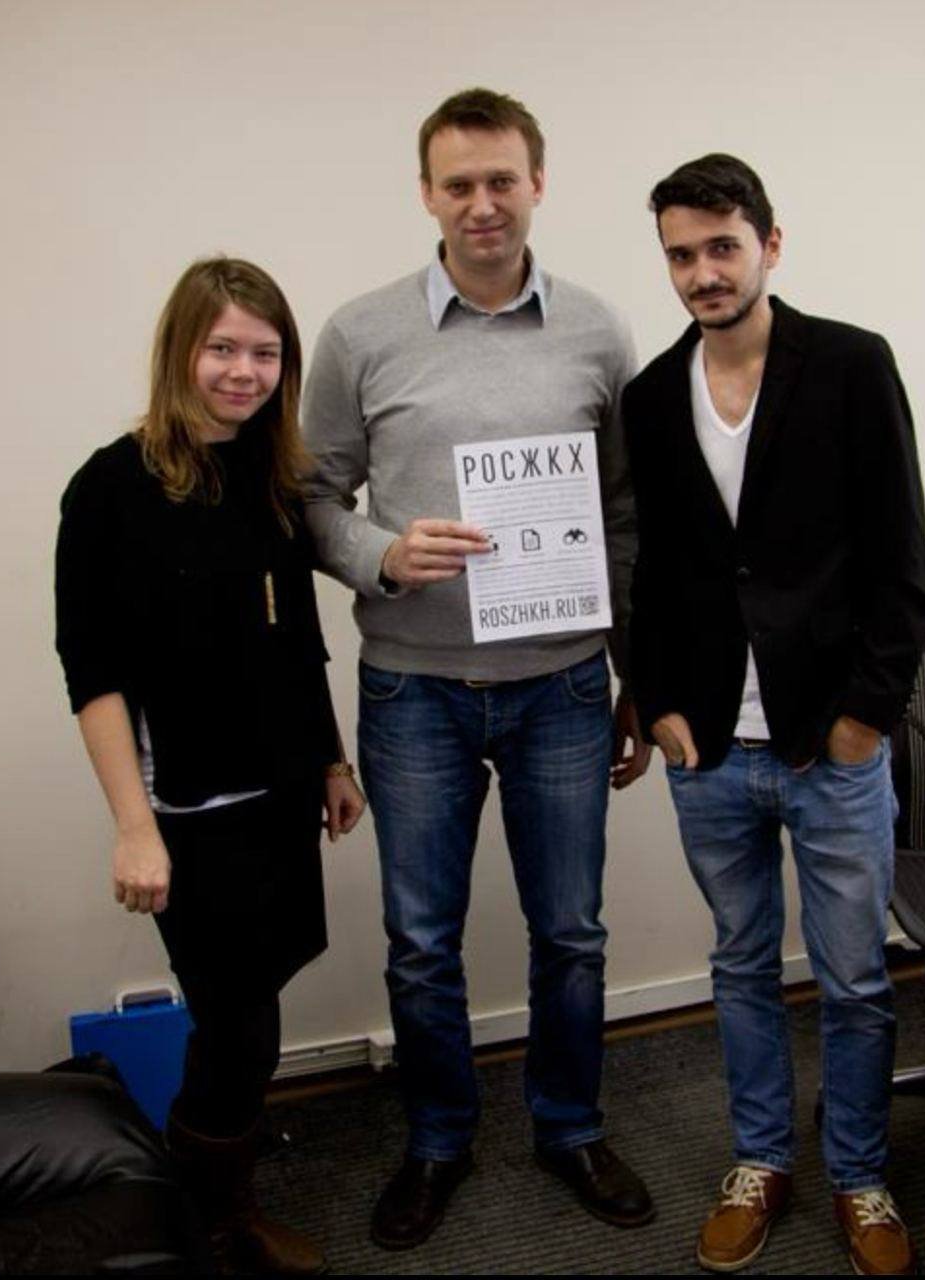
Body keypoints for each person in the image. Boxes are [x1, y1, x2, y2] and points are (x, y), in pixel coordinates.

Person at [302, 87, 654, 1249]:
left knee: (573, 932)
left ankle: (568, 1124)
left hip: (560, 683)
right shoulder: (360, 333)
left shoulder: (600, 330)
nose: (483, 203)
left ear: (538, 183)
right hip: (415, 689)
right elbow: (307, 495)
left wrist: (633, 668)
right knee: (421, 938)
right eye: (459, 183)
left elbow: (628, 512)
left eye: (502, 178)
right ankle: (439, 1138)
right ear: (426, 195)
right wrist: (380, 554)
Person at [623, 155, 925, 1276]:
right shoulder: (653, 396)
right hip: (709, 748)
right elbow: (650, 570)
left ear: (769, 243)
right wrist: (656, 702)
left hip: (829, 746)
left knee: (853, 976)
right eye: (681, 253)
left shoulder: (850, 365)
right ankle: (762, 1157)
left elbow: (903, 567)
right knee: (741, 966)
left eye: (722, 246)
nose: (703, 271)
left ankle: (858, 1170)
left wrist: (862, 722)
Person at [54, 257, 365, 1276]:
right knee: (237, 1026)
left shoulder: (268, 478)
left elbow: (297, 638)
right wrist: (132, 822)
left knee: (258, 1006)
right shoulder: (109, 487)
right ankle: (205, 1222)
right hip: (185, 807)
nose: (244, 369)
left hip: (276, 793)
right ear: (181, 349)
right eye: (223, 346)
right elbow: (91, 671)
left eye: (265, 350)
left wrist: (329, 757)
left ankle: (213, 1199)